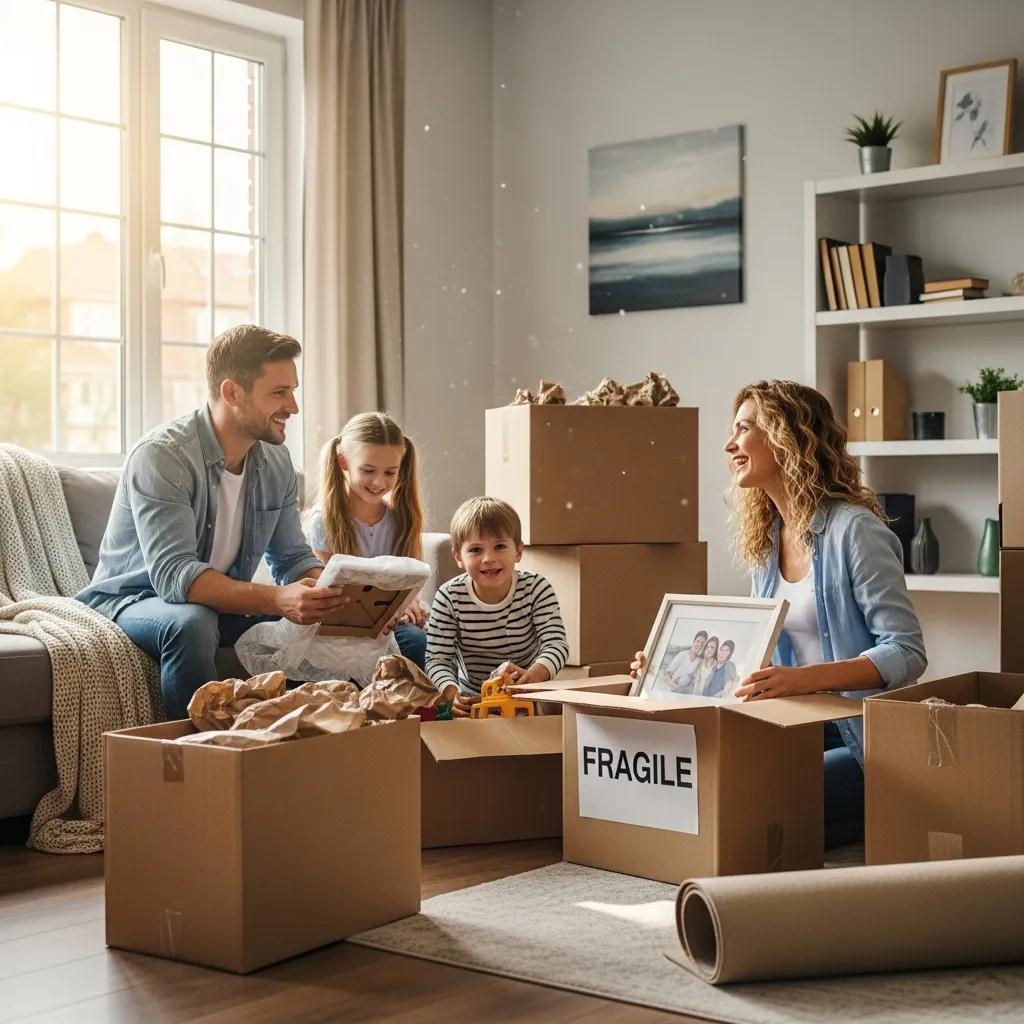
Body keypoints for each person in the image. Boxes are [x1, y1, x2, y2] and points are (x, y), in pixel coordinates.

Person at [633, 379, 925, 847]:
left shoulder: (855, 531)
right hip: (795, 726)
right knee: (704, 783)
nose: (730, 446)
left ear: (787, 437)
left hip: (863, 737)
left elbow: (907, 651)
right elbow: (753, 656)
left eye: (743, 429)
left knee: (749, 802)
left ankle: (881, 813)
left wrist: (804, 679)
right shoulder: (769, 541)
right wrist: (668, 665)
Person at [78, 325, 348, 720]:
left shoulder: (275, 462)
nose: (293, 407)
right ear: (231, 393)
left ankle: (325, 756)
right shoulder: (163, 456)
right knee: (192, 623)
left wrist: (343, 595)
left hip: (217, 606)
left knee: (366, 632)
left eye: (293, 392)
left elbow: (291, 559)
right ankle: (196, 768)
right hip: (134, 599)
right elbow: (177, 577)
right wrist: (278, 598)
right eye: (279, 393)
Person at [425, 497, 569, 717]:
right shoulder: (449, 596)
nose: (488, 558)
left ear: (518, 551)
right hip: (473, 694)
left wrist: (532, 677)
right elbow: (438, 659)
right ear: (458, 557)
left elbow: (556, 644)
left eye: (500, 546)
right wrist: (451, 693)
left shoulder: (537, 588)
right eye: (475, 550)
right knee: (444, 718)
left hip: (528, 690)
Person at [306, 412, 429, 668]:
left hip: (389, 626)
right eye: (368, 470)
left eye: (390, 472)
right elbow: (328, 593)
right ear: (343, 463)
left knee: (417, 642)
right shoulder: (323, 521)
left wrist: (408, 605)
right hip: (337, 627)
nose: (379, 482)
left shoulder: (401, 520)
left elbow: (406, 583)